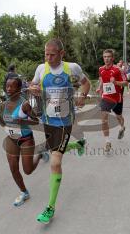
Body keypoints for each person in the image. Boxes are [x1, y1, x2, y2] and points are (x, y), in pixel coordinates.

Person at [29, 38, 91, 224]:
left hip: (64, 121)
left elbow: (85, 83)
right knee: (56, 149)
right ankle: (78, 144)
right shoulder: (41, 69)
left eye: (52, 54)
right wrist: (34, 90)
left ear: (61, 53)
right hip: (48, 120)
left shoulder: (72, 68)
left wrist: (82, 95)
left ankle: (50, 207)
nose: (48, 57)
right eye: (46, 54)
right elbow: (33, 87)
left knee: (55, 162)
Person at [0, 77, 49, 207]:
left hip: (26, 139)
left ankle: (39, 155)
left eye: (12, 87)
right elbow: (2, 124)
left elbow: (36, 121)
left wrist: (24, 121)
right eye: (7, 86)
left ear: (19, 88)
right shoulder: (2, 105)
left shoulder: (25, 104)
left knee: (27, 170)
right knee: (13, 168)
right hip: (11, 139)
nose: (9, 89)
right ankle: (24, 192)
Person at [96, 49, 128, 152]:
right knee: (104, 117)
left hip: (117, 98)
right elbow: (102, 79)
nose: (107, 59)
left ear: (112, 58)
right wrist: (99, 88)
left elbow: (126, 83)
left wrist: (116, 83)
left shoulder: (118, 70)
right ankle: (107, 142)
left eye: (109, 57)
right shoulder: (101, 69)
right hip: (106, 97)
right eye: (105, 57)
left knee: (119, 117)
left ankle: (122, 127)